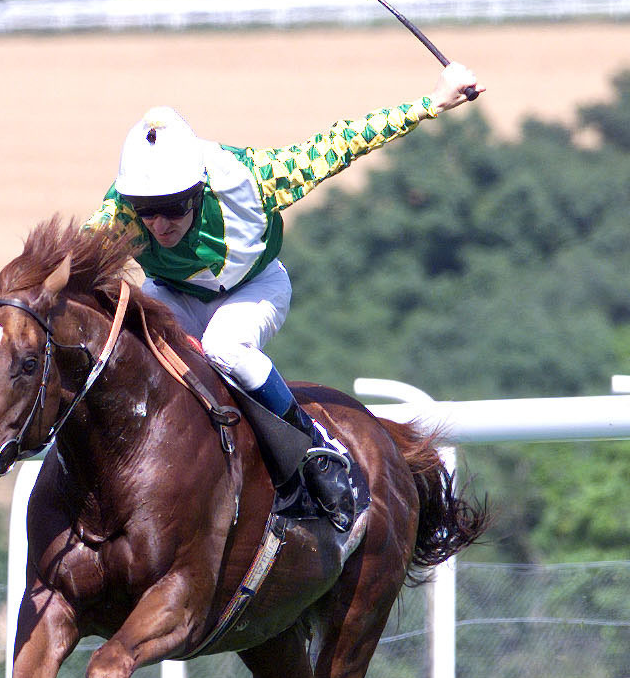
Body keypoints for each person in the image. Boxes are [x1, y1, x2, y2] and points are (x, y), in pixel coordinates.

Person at [84, 61, 486, 529]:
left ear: (200, 189)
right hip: (173, 292)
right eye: (146, 212)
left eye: (173, 207)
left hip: (256, 285)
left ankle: (316, 453)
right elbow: (64, 267)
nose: (159, 224)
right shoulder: (120, 212)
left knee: (223, 347)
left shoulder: (254, 178)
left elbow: (342, 142)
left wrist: (432, 103)